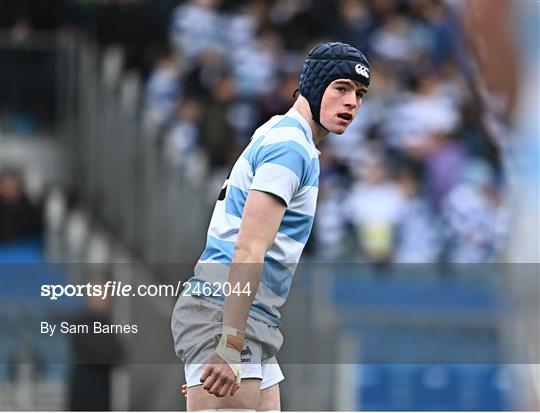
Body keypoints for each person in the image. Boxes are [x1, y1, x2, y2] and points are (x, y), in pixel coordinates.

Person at [171, 42, 370, 411]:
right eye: (341, 88)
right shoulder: (290, 147)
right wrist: (227, 343)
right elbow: (248, 248)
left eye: (359, 94)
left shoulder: (282, 133)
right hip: (226, 313)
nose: (352, 103)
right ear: (312, 87)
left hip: (247, 316)